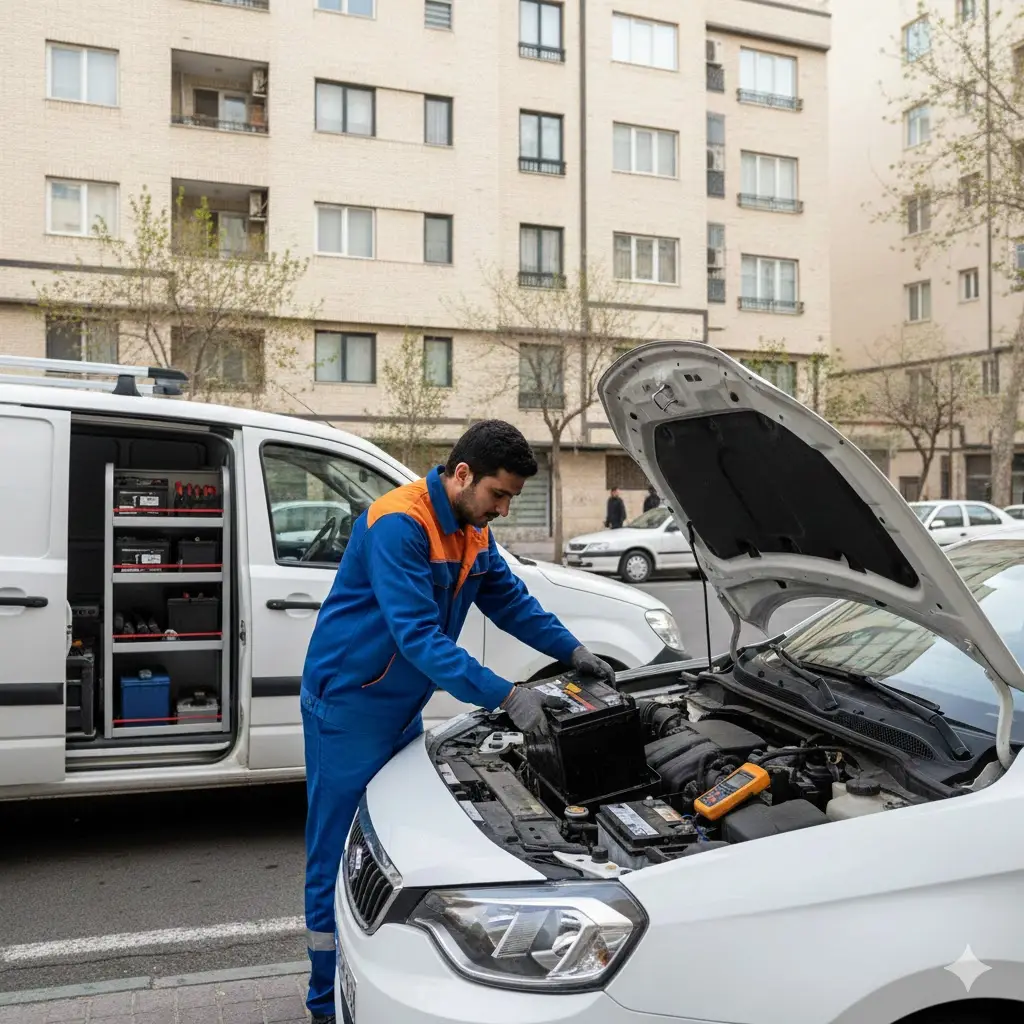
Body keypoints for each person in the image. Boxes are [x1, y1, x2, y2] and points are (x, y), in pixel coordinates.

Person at [299, 419, 615, 1023]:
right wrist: (507, 695)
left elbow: (511, 601)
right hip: (349, 705)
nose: (501, 509)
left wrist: (572, 650)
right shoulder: (400, 524)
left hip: (397, 706)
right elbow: (417, 637)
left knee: (383, 843)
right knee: (335, 853)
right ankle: (321, 1001)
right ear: (462, 474)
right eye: (498, 494)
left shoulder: (472, 530)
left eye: (511, 500)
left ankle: (377, 971)